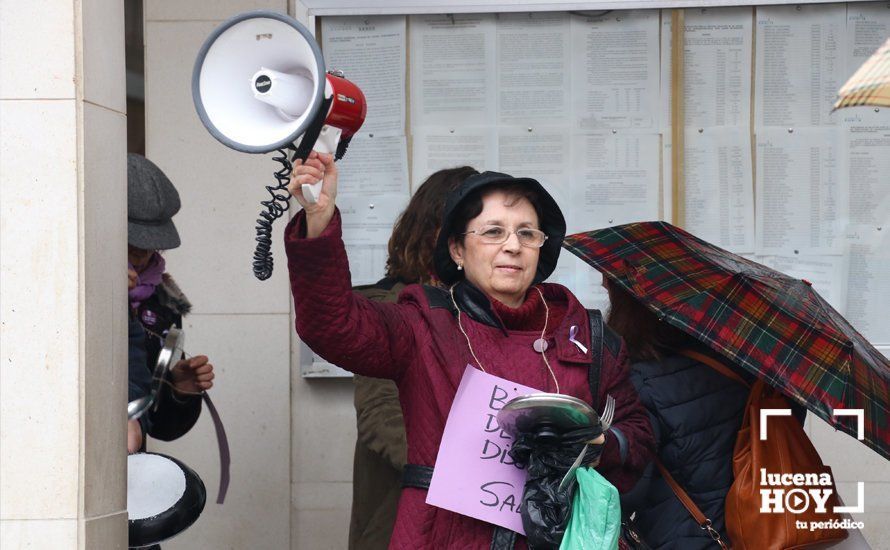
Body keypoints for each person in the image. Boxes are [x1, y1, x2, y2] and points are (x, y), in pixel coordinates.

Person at [285, 152, 654, 549]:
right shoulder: (422, 323)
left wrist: (596, 445)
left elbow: (637, 434)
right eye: (493, 231)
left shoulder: (585, 333)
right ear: (458, 251)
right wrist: (318, 223)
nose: (513, 246)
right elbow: (332, 326)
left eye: (527, 233)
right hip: (440, 536)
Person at [350, 167, 475, 550]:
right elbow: (381, 417)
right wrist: (463, 478)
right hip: (411, 514)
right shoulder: (389, 308)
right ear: (437, 233)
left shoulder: (492, 310)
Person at [605, 277, 750, 549]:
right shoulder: (744, 371)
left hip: (680, 538)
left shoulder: (643, 383)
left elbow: (626, 489)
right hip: (753, 533)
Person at [126, 153, 215, 453]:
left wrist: (177, 389)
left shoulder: (164, 302)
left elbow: (161, 428)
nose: (141, 253)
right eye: (131, 241)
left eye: (150, 244)